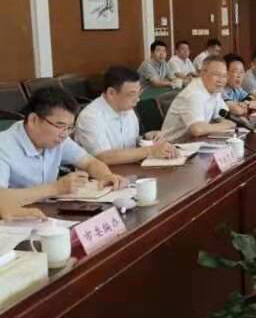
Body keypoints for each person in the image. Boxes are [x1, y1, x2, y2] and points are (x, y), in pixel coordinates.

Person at [0, 87, 124, 220]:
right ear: (33, 120)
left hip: (47, 214)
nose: (65, 134)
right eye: (60, 125)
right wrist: (55, 188)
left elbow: (89, 162)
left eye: (69, 127)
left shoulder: (57, 139)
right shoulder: (4, 146)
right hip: (14, 222)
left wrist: (106, 176)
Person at [75, 66, 178, 165]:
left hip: (129, 169)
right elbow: (103, 157)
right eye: (132, 94)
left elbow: (129, 145)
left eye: (138, 93)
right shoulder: (90, 117)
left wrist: (146, 137)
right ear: (111, 93)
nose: (138, 99)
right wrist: (150, 150)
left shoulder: (127, 110)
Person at [161, 56, 236, 141]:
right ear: (202, 74)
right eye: (216, 74)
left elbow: (222, 116)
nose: (221, 80)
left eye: (224, 76)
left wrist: (226, 122)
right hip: (173, 144)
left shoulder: (214, 90)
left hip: (194, 141)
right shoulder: (194, 93)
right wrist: (225, 125)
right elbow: (197, 129)